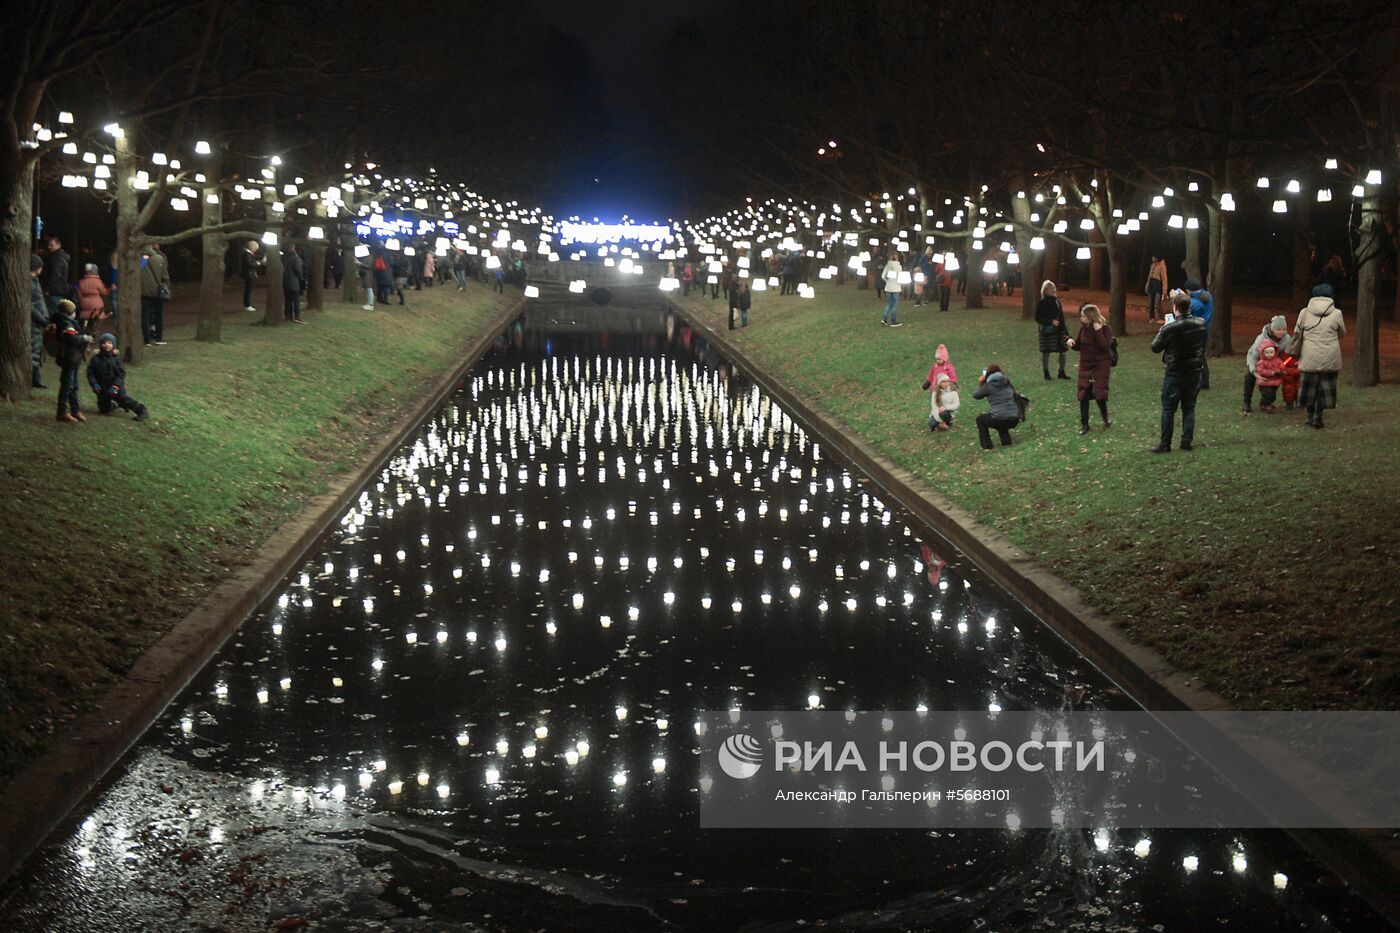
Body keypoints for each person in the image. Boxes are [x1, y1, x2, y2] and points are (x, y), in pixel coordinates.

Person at [1149, 292, 1207, 453]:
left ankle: (1165, 443)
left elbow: (1155, 347)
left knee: (1168, 408)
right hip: (1195, 370)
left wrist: (1162, 331)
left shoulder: (1169, 328)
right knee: (1189, 407)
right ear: (1189, 307)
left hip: (1175, 371)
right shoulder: (1201, 323)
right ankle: (1186, 441)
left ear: (1175, 308)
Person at [1292, 283, 1347, 429]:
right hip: (1330, 357)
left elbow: (1297, 333)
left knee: (1309, 389)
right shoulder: (1337, 313)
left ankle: (1309, 417)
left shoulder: (1304, 312)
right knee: (1324, 389)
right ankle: (1318, 416)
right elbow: (1342, 333)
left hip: (1309, 356)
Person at [1066, 302, 1113, 434]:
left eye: (1084, 316)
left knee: (1099, 394)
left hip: (1101, 365)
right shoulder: (1083, 329)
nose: (1081, 318)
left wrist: (1098, 331)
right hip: (1086, 366)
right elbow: (1079, 345)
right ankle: (1085, 425)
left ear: (1091, 317)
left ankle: (1105, 419)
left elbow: (1105, 346)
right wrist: (1071, 342)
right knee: (1083, 395)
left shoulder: (1105, 329)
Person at [87, 333, 148, 421]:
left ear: (113, 345)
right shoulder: (95, 359)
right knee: (103, 409)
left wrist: (116, 385)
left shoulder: (116, 359)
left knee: (124, 399)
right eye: (104, 343)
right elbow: (90, 372)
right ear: (100, 345)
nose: (106, 345)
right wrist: (94, 384)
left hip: (115, 386)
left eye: (109, 343)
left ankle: (141, 410)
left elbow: (121, 374)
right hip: (102, 387)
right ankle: (116, 405)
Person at [50, 299, 92, 423]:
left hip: (73, 357)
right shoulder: (65, 322)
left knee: (74, 385)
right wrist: (84, 338)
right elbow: (72, 339)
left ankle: (75, 410)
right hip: (69, 357)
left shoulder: (64, 321)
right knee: (67, 385)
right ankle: (62, 412)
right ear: (70, 312)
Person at [1243, 314, 1289, 414]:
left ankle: (1268, 402)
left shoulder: (1287, 339)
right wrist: (1255, 373)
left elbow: (1289, 353)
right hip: (1257, 361)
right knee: (1249, 377)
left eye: (1284, 329)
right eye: (1278, 329)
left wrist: (1281, 367)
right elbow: (1253, 356)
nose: (1282, 332)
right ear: (1273, 330)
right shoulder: (1261, 339)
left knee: (1274, 383)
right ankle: (1246, 402)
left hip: (1274, 364)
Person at [973, 364, 1019, 449]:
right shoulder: (1006, 381)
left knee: (981, 419)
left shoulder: (989, 385)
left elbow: (976, 395)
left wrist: (980, 383)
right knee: (999, 418)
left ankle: (986, 445)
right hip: (1014, 417)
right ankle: (1006, 441)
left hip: (1000, 417)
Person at [1034, 280, 1070, 380]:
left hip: (1059, 330)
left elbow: (1061, 317)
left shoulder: (1057, 302)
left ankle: (1061, 371)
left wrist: (1065, 330)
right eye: (1051, 288)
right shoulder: (1042, 302)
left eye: (1054, 288)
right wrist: (1050, 321)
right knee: (1046, 352)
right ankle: (1046, 372)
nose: (1054, 290)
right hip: (1047, 331)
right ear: (1045, 290)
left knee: (1063, 351)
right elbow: (1038, 317)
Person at [1183, 277, 1213, 388]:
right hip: (1205, 329)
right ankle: (1201, 380)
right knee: (1200, 356)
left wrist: (1177, 298)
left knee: (1196, 357)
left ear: (1189, 290)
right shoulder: (1207, 296)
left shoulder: (1194, 302)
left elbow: (1182, 309)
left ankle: (1201, 381)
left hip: (1195, 331)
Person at [139, 244, 170, 345]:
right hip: (158, 291)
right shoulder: (159, 258)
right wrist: (168, 289)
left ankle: (147, 339)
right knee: (158, 315)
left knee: (145, 316)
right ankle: (159, 338)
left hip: (144, 291)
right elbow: (165, 276)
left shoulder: (138, 260)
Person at [29, 255, 49, 388]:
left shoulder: (35, 280)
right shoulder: (30, 282)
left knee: (37, 349)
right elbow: (31, 305)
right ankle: (34, 379)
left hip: (39, 320)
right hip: (35, 321)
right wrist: (42, 319)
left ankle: (36, 379)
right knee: (33, 350)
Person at [41, 235, 71, 315]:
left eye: (51, 245)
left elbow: (55, 275)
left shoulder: (57, 258)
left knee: (54, 314)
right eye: (48, 245)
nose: (49, 247)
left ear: (58, 245)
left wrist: (48, 289)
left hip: (54, 291)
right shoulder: (62, 257)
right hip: (60, 290)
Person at [76, 262, 110, 330]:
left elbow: (79, 295)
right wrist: (109, 290)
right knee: (97, 322)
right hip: (96, 303)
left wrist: (82, 300)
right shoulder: (98, 281)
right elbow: (104, 292)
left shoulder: (81, 282)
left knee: (85, 325)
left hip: (84, 304)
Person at [1253, 340, 1284, 413]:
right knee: (1267, 394)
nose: (1269, 354)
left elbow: (1282, 367)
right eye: (1267, 353)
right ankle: (1264, 404)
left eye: (1271, 352)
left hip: (1275, 382)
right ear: (1263, 353)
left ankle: (1269, 403)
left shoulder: (1278, 360)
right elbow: (1261, 371)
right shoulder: (1261, 362)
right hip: (1264, 382)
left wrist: (1281, 370)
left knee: (1273, 394)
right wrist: (1272, 372)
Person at [282, 243, 305, 323]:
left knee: (287, 299)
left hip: (285, 281)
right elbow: (298, 270)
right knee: (296, 300)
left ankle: (288, 315)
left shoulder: (283, 257)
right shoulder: (295, 258)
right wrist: (301, 279)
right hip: (294, 281)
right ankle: (297, 316)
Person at [881, 253, 903, 326]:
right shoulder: (899, 266)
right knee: (894, 305)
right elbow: (900, 277)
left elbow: (883, 276)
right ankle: (893, 321)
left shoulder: (887, 266)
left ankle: (884, 318)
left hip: (888, 287)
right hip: (896, 287)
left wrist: (887, 281)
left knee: (889, 304)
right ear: (897, 258)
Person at [1145, 254, 1168, 322]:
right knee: (1151, 302)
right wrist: (1147, 285)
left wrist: (1164, 289)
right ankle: (1151, 317)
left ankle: (1161, 318)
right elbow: (1149, 276)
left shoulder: (1162, 266)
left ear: (1157, 258)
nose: (1152, 258)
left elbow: (1164, 278)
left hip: (1157, 284)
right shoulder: (1152, 265)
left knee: (1157, 302)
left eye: (1153, 257)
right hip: (1151, 283)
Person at [241, 240, 261, 311]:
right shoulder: (247, 254)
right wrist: (256, 264)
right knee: (248, 290)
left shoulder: (249, 254)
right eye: (255, 248)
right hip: (248, 274)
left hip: (249, 274)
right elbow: (248, 264)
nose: (256, 250)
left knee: (248, 290)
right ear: (252, 247)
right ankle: (247, 305)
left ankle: (248, 305)